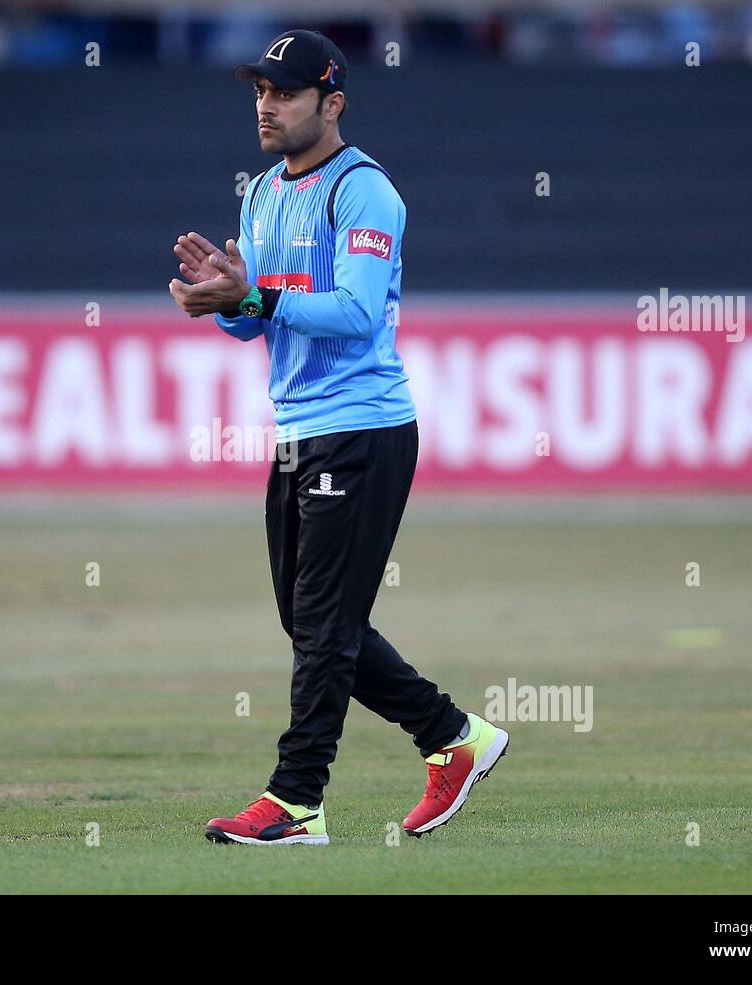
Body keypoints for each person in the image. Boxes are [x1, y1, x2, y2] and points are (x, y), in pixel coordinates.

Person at [169, 29, 508, 845]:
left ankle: (297, 800)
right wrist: (225, 302)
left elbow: (356, 315)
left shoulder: (363, 192)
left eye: (283, 93)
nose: (266, 105)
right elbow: (259, 326)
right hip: (298, 432)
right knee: (313, 619)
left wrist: (261, 294)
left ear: (333, 103)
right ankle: (454, 736)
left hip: (363, 428)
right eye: (259, 91)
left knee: (323, 622)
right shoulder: (259, 193)